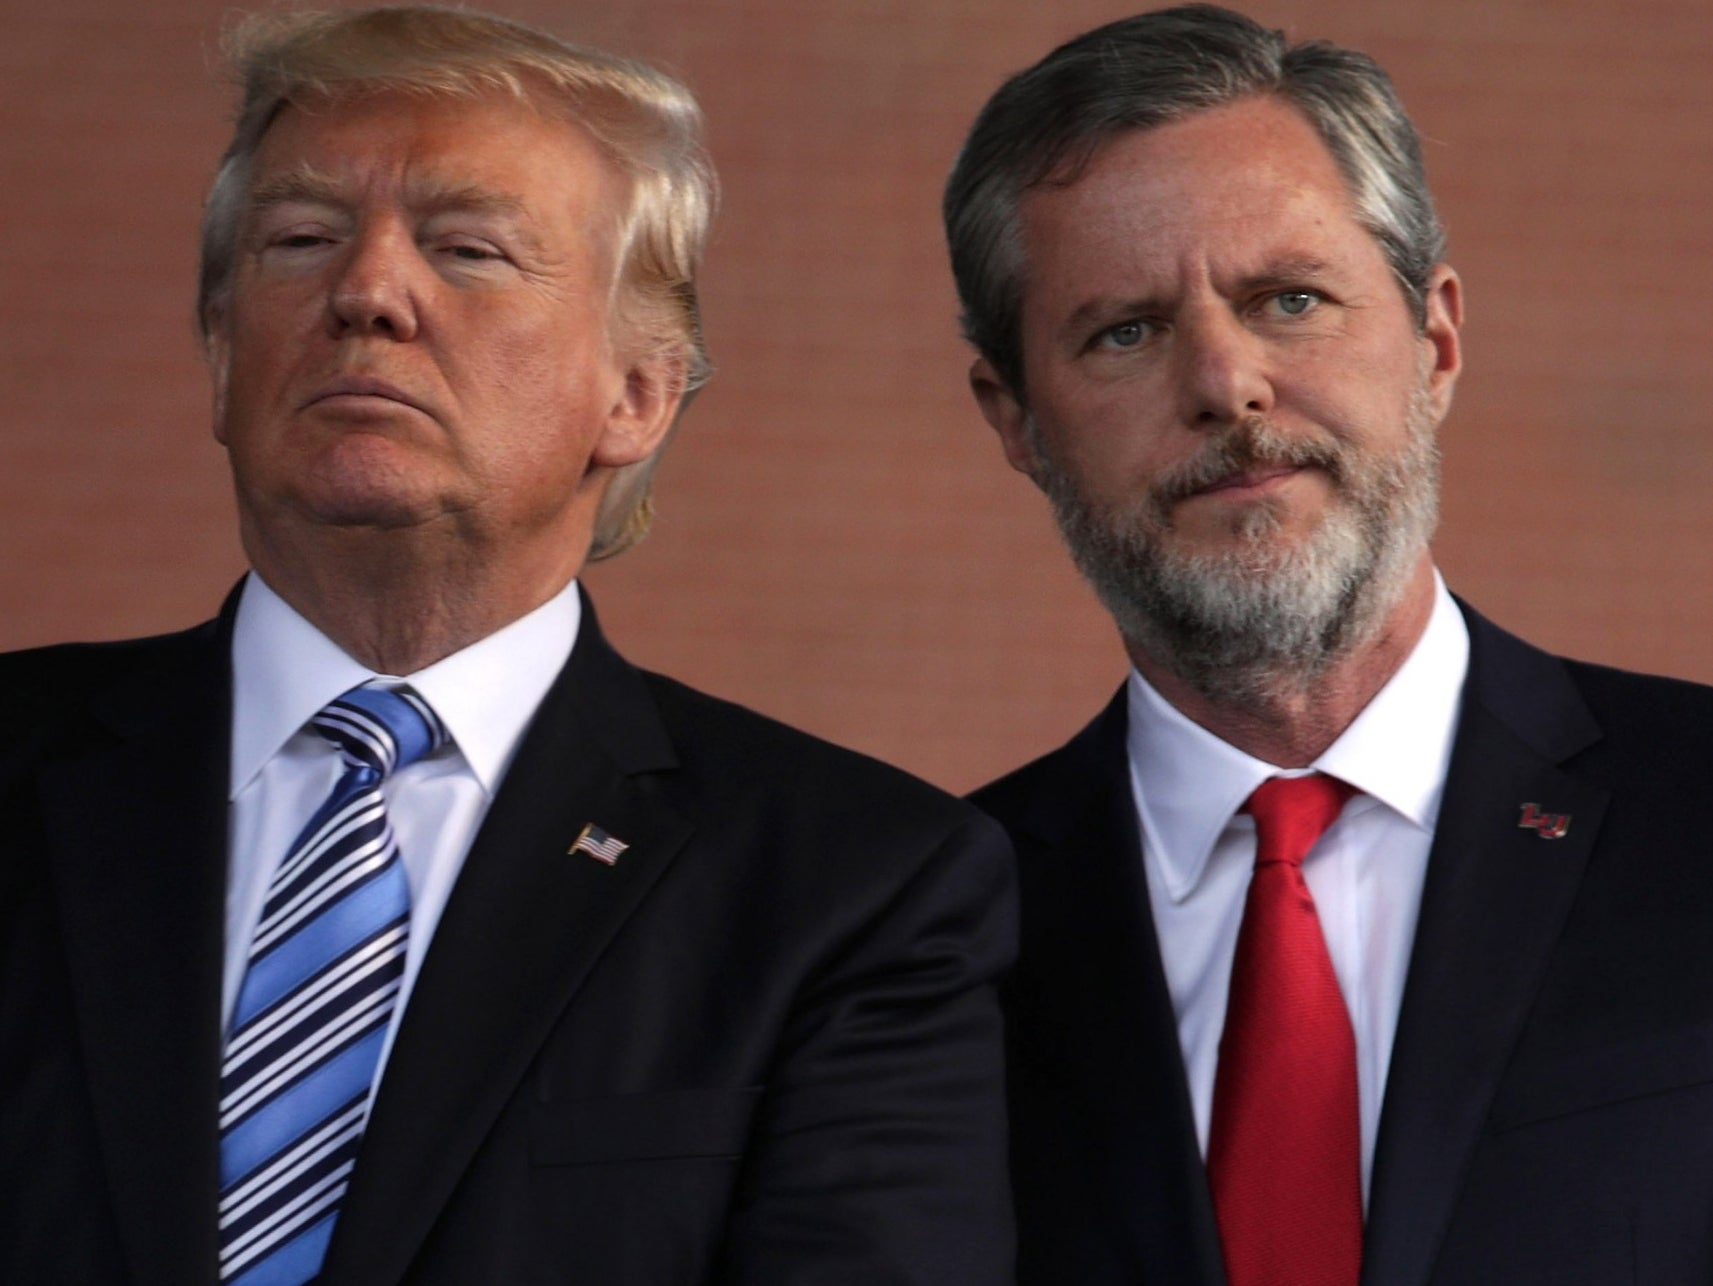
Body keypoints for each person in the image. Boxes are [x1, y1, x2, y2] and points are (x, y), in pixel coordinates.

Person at [0, 9, 1015, 1284]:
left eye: (468, 250)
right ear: (218, 357)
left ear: (638, 391)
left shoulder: (856, 888)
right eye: (301, 240)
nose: (364, 292)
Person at [944, 5, 1713, 1283]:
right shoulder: (929, 926)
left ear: (1437, 339)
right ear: (1015, 418)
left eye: (1290, 298)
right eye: (1124, 330)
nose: (1226, 380)